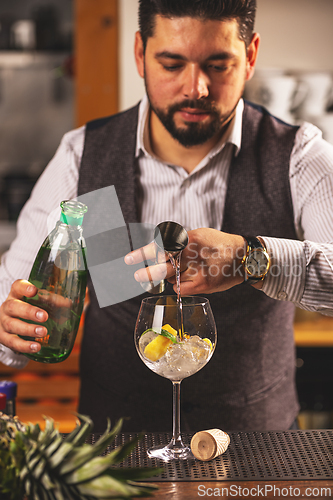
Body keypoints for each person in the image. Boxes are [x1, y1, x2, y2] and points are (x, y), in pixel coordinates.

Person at [0, 0, 333, 433]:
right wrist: (13, 329)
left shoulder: (296, 157)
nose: (195, 88)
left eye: (217, 65)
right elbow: (14, 309)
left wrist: (253, 257)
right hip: (113, 461)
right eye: (172, 64)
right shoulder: (82, 159)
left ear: (250, 56)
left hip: (256, 455)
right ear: (139, 53)